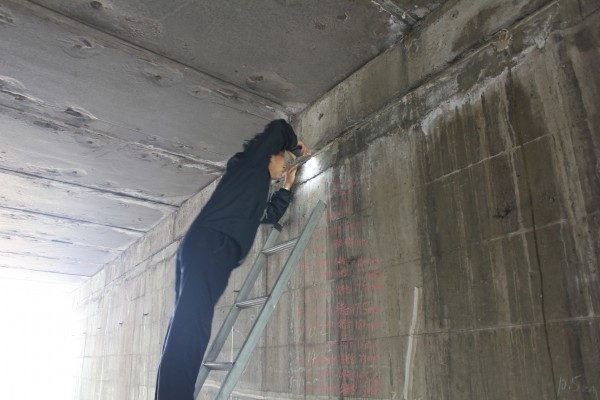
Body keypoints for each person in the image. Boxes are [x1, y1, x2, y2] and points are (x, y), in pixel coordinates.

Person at [155, 119, 309, 400]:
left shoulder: (252, 189)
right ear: (270, 155)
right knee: (191, 327)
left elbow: (268, 215)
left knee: (188, 326)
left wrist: (287, 187)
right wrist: (295, 145)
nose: (283, 168)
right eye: (282, 161)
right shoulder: (249, 166)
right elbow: (278, 128)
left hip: (211, 251)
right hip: (210, 247)